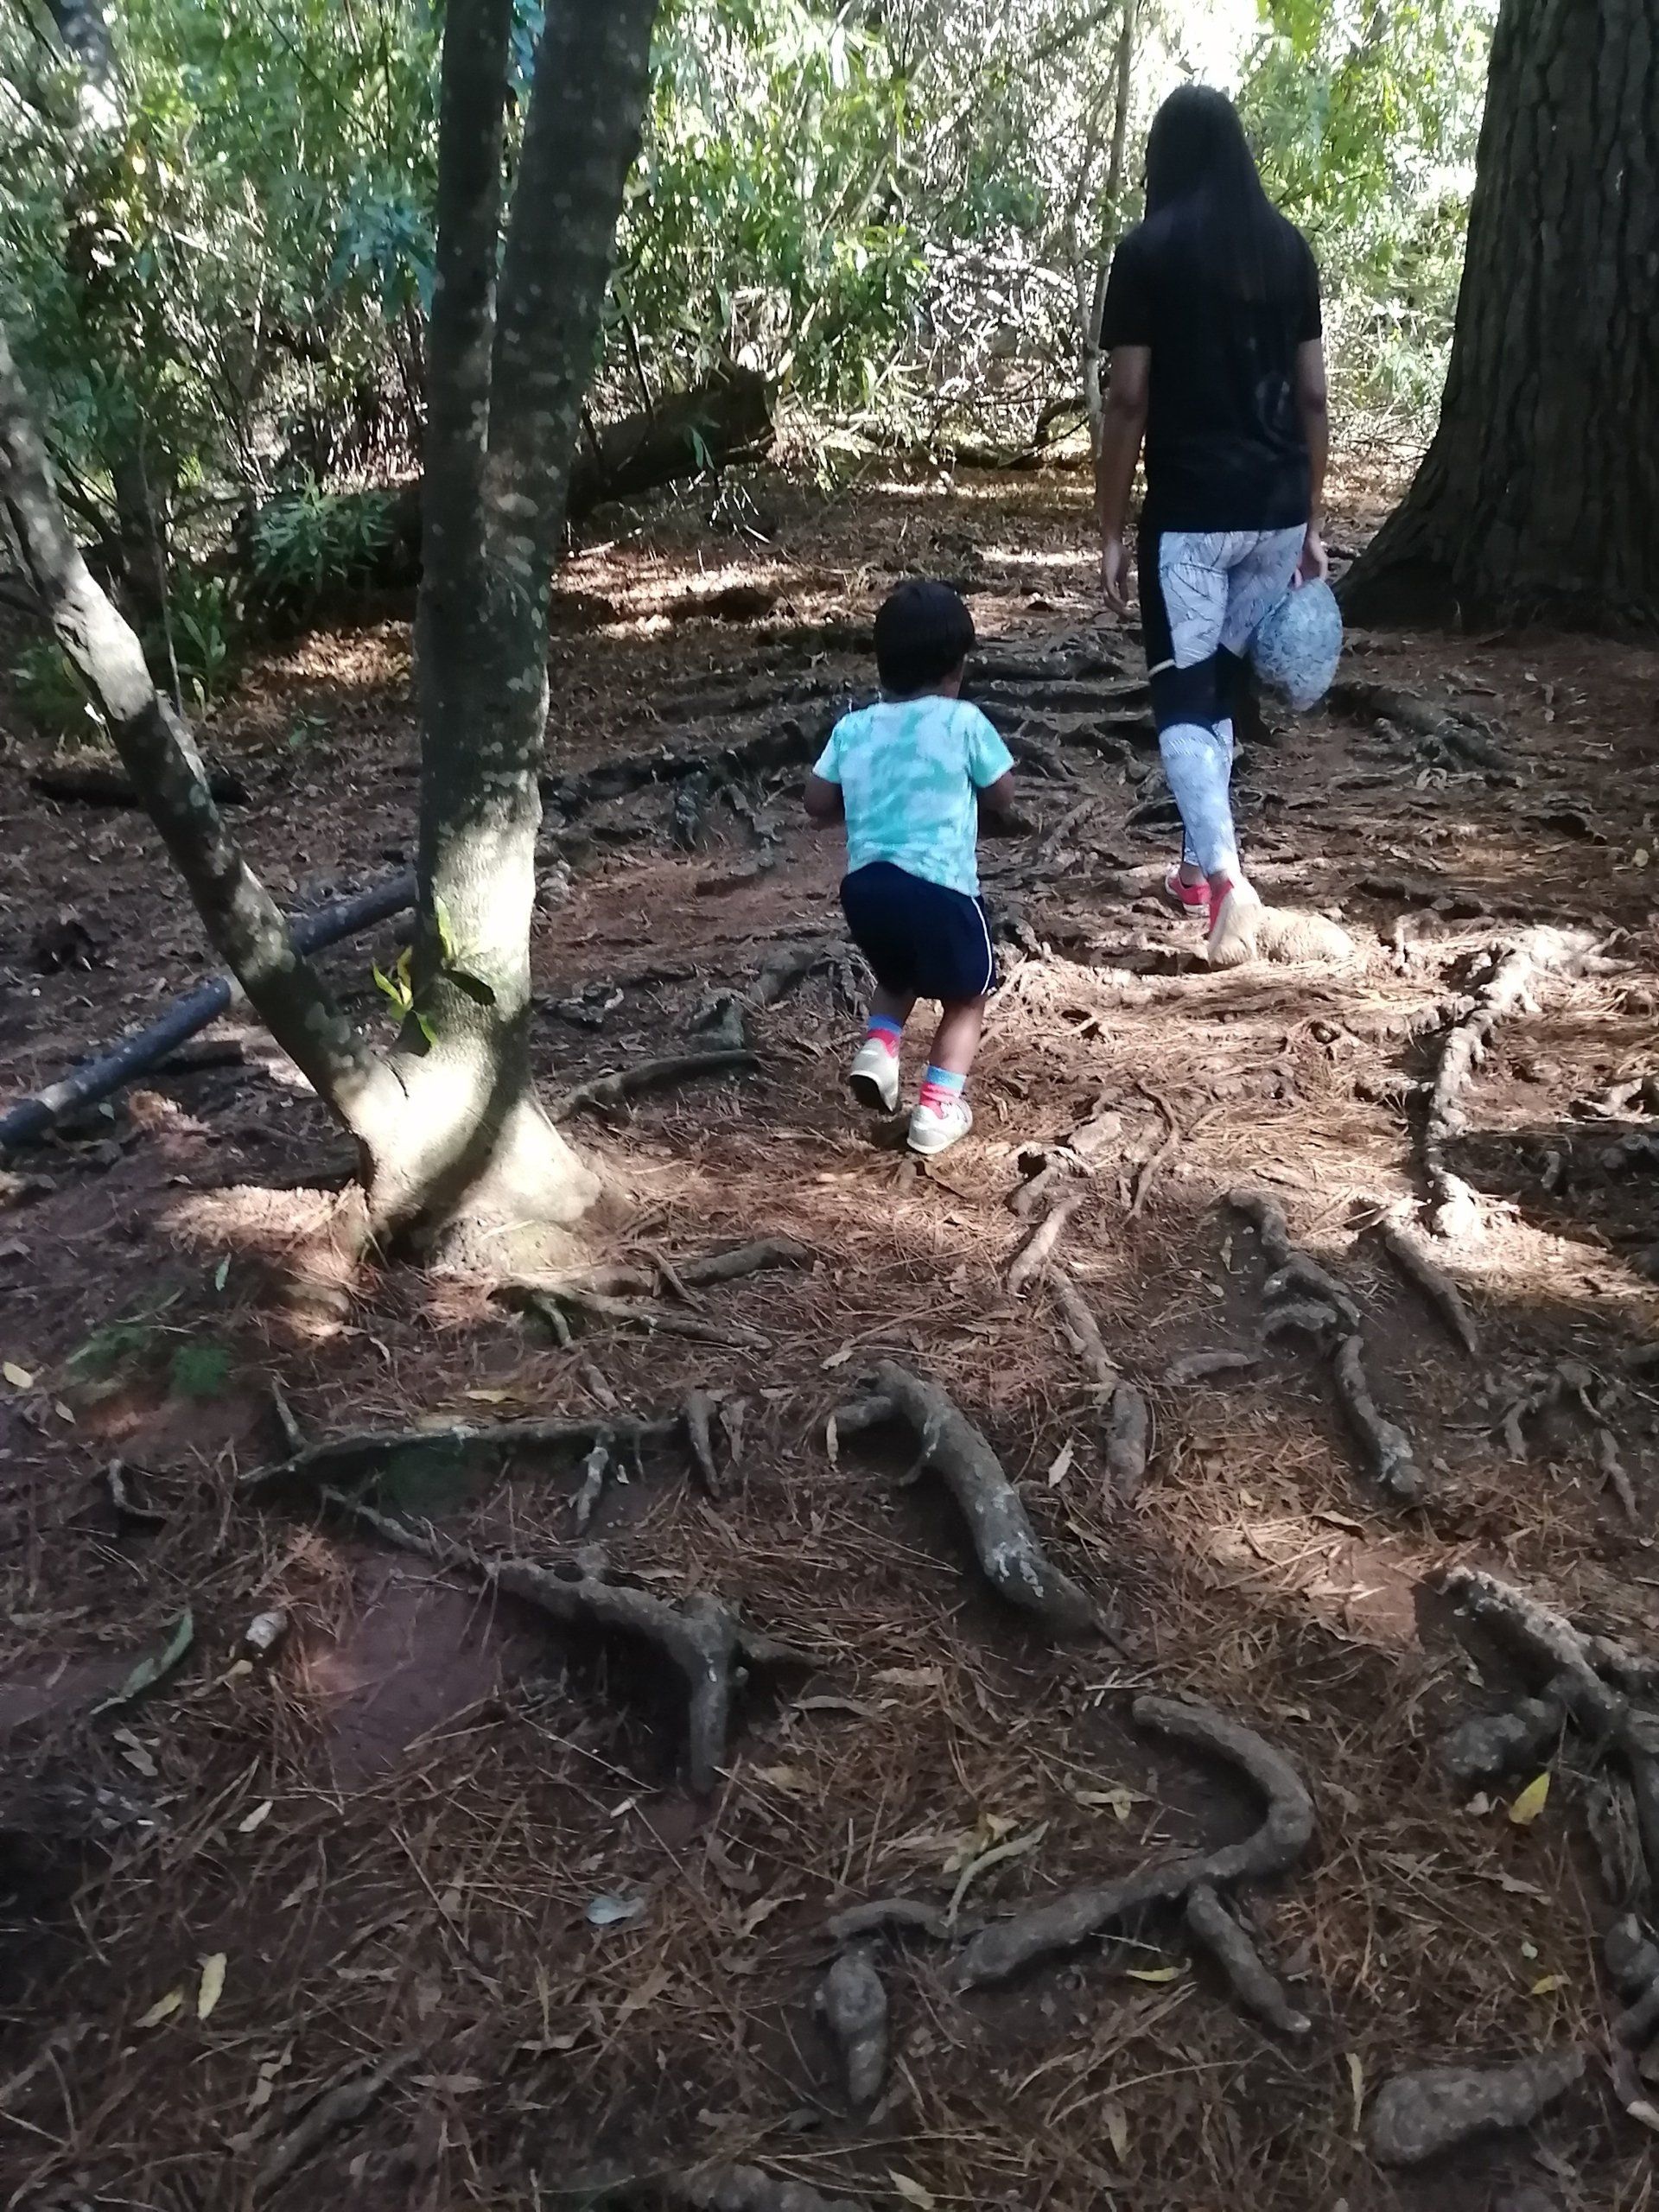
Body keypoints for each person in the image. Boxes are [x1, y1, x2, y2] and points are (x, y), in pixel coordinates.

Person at [1095, 85, 1329, 968]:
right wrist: (1310, 515)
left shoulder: (1147, 252)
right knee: (1222, 682)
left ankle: (1228, 881)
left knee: (1185, 693)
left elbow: (1127, 398)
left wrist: (1112, 528)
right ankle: (1197, 865)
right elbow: (1311, 395)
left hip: (1189, 514)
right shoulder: (1287, 250)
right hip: (1271, 508)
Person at [804, 580, 1015, 1158]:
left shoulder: (853, 728)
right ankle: (937, 1109)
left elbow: (817, 803)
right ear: (955, 668)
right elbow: (1002, 793)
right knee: (966, 999)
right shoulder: (964, 721)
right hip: (942, 891)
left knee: (897, 978)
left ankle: (879, 1046)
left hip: (867, 890)